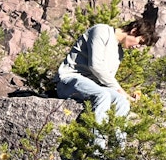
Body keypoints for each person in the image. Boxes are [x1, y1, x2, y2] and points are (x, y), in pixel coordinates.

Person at [56, 14, 159, 147]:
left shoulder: (119, 53)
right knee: (103, 95)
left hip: (94, 86)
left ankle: (117, 151)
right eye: (140, 42)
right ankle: (97, 151)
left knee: (122, 102)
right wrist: (121, 90)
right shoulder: (101, 31)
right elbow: (96, 66)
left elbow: (106, 81)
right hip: (70, 80)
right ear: (134, 31)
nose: (138, 47)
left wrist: (126, 96)